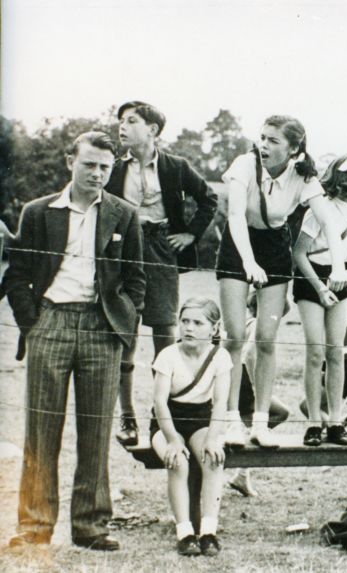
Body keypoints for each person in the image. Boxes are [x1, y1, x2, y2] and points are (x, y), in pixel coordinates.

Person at [3, 131, 145, 550]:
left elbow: (137, 279)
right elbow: (17, 273)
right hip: (52, 323)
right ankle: (34, 527)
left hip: (102, 330)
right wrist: (34, 322)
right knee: (41, 431)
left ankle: (91, 526)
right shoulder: (38, 212)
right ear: (71, 162)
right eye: (90, 165)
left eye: (105, 167)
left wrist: (122, 322)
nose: (98, 173)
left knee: (96, 431)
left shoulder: (123, 214)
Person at [216, 115, 347, 448]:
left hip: (275, 245)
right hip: (239, 242)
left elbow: (327, 219)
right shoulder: (245, 164)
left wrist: (339, 265)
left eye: (274, 141)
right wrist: (247, 262)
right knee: (232, 337)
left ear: (293, 148)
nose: (264, 145)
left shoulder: (303, 175)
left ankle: (260, 423)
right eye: (262, 137)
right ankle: (231, 419)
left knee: (266, 339)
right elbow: (234, 216)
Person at [107, 101, 217, 447]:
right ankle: (127, 416)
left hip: (160, 249)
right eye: (120, 121)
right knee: (124, 332)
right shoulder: (111, 168)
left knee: (165, 332)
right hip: (123, 248)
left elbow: (209, 199)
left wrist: (190, 234)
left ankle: (164, 417)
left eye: (132, 121)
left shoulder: (175, 167)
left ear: (152, 130)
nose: (122, 127)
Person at [293, 154, 347, 446]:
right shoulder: (320, 208)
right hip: (312, 280)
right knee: (316, 352)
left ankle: (336, 421)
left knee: (336, 352)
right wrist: (318, 288)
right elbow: (299, 253)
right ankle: (315, 422)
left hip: (341, 280)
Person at [150, 297, 232, 556]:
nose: (189, 328)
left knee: (213, 459)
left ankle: (209, 531)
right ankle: (184, 532)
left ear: (214, 328)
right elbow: (160, 403)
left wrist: (213, 437)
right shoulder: (168, 355)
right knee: (178, 462)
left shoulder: (220, 357)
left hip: (200, 420)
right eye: (185, 321)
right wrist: (173, 439)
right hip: (167, 423)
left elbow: (220, 403)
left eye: (198, 322)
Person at [227, 290, 291, 498]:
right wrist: (257, 389)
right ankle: (242, 468)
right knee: (280, 412)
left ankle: (242, 474)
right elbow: (248, 355)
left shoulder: (244, 322)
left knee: (274, 415)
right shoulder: (255, 325)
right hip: (242, 387)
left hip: (238, 387)